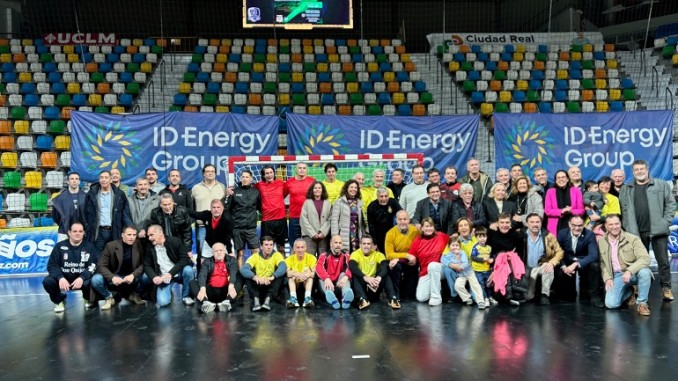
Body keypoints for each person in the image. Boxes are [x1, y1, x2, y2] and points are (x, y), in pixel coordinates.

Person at [619, 159, 675, 301]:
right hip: (636, 232)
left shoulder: (660, 184)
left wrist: (665, 223)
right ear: (633, 172)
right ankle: (637, 287)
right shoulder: (627, 188)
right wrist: (628, 226)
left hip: (658, 230)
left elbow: (670, 204)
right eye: (636, 169)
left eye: (642, 169)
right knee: (637, 261)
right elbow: (624, 209)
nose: (639, 172)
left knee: (663, 261)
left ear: (647, 169)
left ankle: (666, 288)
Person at [598, 214, 652, 316]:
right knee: (611, 304)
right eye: (611, 224)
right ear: (606, 226)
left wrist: (629, 271)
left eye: (616, 223)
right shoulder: (601, 242)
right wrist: (607, 278)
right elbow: (603, 263)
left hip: (634, 273)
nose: (614, 227)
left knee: (645, 272)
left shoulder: (632, 239)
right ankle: (630, 292)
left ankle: (642, 303)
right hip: (617, 275)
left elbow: (645, 258)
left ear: (620, 224)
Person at [43, 222, 97, 312]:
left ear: (84, 233)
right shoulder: (59, 246)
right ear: (69, 232)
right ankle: (59, 300)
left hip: (81, 279)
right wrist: (60, 278)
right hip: (64, 279)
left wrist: (82, 278)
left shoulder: (89, 246)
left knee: (93, 280)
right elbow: (52, 265)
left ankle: (87, 298)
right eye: (75, 231)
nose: (77, 233)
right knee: (48, 281)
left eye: (80, 231)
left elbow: (92, 266)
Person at [91, 225, 148, 310]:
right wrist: (112, 277)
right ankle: (109, 297)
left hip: (131, 277)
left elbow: (143, 265)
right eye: (129, 234)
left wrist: (133, 275)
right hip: (115, 276)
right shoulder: (111, 246)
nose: (132, 237)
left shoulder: (139, 245)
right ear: (122, 235)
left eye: (134, 235)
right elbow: (101, 265)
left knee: (147, 277)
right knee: (96, 279)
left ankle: (134, 295)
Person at [556, 215, 604, 307]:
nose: (577, 228)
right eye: (574, 225)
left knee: (595, 265)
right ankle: (564, 293)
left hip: (583, 261)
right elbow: (558, 252)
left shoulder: (590, 234)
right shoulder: (562, 233)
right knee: (557, 267)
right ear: (569, 224)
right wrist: (563, 266)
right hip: (567, 260)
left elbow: (593, 255)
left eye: (580, 225)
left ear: (583, 225)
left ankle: (594, 296)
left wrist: (576, 264)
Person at [143, 225, 195, 307]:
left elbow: (184, 259)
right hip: (163, 277)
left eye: (151, 235)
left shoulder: (175, 241)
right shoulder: (149, 246)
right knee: (162, 302)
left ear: (160, 233)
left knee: (188, 270)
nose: (149, 238)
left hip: (178, 273)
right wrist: (154, 277)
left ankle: (186, 296)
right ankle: (168, 292)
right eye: (148, 236)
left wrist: (170, 273)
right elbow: (147, 265)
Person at [84, 170, 133, 254]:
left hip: (114, 231)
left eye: (106, 178)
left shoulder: (120, 194)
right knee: (97, 258)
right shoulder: (91, 194)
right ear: (99, 180)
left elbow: (125, 214)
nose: (104, 180)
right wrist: (87, 228)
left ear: (110, 180)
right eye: (101, 178)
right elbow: (85, 213)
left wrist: (128, 228)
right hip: (98, 232)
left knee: (114, 258)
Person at [522, 213, 564, 305]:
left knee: (548, 268)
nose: (535, 224)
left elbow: (559, 252)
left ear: (541, 223)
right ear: (527, 224)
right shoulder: (521, 235)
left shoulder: (548, 236)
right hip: (526, 269)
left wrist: (552, 263)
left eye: (537, 222)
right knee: (528, 297)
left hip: (541, 266)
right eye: (532, 222)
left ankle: (544, 295)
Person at [349, 235, 400, 309]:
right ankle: (362, 299)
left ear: (372, 245)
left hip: (374, 285)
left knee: (385, 272)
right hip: (362, 286)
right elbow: (352, 266)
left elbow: (385, 265)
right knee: (355, 274)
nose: (366, 246)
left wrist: (379, 277)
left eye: (368, 244)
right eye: (364, 243)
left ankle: (392, 298)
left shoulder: (378, 254)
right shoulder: (355, 254)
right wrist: (365, 277)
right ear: (360, 245)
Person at [240, 236, 287, 312]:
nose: (269, 247)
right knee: (248, 274)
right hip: (258, 286)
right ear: (261, 246)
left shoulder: (277, 255)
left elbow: (283, 266)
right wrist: (255, 277)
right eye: (266, 245)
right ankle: (256, 300)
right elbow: (243, 269)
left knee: (280, 274)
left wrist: (272, 277)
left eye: (271, 245)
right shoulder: (255, 256)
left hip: (271, 286)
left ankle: (267, 300)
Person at [408, 217, 448, 306]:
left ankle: (436, 297)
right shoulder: (418, 241)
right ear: (422, 228)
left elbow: (453, 242)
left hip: (441, 269)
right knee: (421, 298)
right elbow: (411, 256)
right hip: (425, 271)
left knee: (432, 265)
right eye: (426, 226)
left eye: (431, 226)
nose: (429, 228)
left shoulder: (441, 236)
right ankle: (437, 288)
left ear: (433, 227)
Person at [189, 242, 238, 313]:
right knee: (192, 282)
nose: (219, 252)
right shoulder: (207, 261)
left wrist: (231, 286)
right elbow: (202, 275)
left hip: (226, 291)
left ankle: (227, 302)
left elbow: (233, 273)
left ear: (225, 251)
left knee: (240, 278)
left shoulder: (232, 260)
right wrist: (203, 289)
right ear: (213, 253)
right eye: (216, 251)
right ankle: (206, 303)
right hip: (210, 292)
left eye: (221, 250)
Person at [191, 164, 228, 256]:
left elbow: (225, 206)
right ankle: (202, 270)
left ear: (215, 173)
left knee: (219, 253)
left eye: (212, 171)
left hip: (219, 226)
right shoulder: (196, 188)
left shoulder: (222, 187)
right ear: (203, 173)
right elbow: (192, 207)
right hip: (202, 227)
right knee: (201, 254)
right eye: (207, 171)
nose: (210, 173)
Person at [227, 170, 260, 268]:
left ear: (251, 179)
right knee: (240, 253)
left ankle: (254, 274)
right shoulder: (234, 192)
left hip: (251, 228)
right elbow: (228, 209)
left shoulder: (256, 192)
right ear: (240, 178)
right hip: (237, 228)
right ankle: (241, 277)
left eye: (247, 177)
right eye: (243, 177)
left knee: (255, 252)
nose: (244, 179)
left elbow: (259, 207)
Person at [442, 235, 485, 309]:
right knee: (457, 286)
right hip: (461, 275)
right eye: (453, 245)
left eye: (457, 245)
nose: (455, 247)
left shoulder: (462, 253)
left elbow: (465, 263)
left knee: (475, 285)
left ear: (460, 246)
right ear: (449, 247)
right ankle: (467, 298)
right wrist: (453, 265)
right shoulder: (448, 255)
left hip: (469, 272)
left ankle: (480, 301)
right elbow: (442, 259)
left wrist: (459, 266)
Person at [384, 210, 419, 301]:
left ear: (409, 220)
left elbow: (419, 247)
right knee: (395, 265)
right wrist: (404, 256)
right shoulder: (390, 233)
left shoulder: (415, 231)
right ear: (396, 220)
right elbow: (389, 254)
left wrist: (414, 257)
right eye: (400, 219)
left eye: (405, 219)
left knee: (410, 295)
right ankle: (396, 294)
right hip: (398, 261)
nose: (403, 222)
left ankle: (409, 292)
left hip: (412, 260)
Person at [148, 193, 193, 261]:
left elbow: (187, 233)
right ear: (160, 205)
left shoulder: (182, 211)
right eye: (165, 205)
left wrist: (187, 249)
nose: (167, 207)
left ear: (173, 203)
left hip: (178, 244)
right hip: (162, 244)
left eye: (169, 204)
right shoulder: (155, 213)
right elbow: (153, 232)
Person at [254, 165, 288, 253]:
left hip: (281, 220)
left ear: (274, 173)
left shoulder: (281, 184)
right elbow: (251, 194)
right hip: (267, 221)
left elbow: (283, 195)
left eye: (271, 173)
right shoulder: (259, 185)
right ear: (263, 175)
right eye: (267, 173)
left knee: (281, 247)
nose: (269, 175)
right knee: (267, 249)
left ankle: (282, 266)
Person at [316, 235, 354, 309]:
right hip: (328, 285)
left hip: (340, 285)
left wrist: (346, 277)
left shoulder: (346, 256)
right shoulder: (324, 255)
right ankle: (333, 300)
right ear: (331, 244)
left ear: (342, 245)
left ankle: (345, 298)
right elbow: (318, 267)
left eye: (340, 243)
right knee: (321, 279)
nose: (338, 245)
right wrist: (326, 278)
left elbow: (351, 267)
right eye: (336, 242)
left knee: (344, 275)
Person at [544, 170, 584, 235]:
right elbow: (547, 211)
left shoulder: (576, 191)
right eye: (558, 178)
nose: (561, 179)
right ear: (556, 180)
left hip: (573, 224)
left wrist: (571, 211)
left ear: (567, 179)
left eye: (563, 177)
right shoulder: (550, 192)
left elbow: (581, 210)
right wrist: (561, 211)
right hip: (556, 226)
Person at [286, 162, 316, 248]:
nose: (302, 170)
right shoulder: (289, 182)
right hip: (294, 217)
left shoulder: (312, 181)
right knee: (294, 244)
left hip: (309, 217)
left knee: (309, 244)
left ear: (307, 170)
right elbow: (281, 196)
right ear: (296, 169)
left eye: (304, 168)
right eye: (300, 168)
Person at [52, 172, 86, 242]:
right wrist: (65, 223)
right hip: (63, 232)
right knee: (62, 252)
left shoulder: (86, 197)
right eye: (72, 179)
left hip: (81, 232)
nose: (74, 181)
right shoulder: (59, 198)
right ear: (68, 181)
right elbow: (56, 217)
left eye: (76, 179)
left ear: (79, 182)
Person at [331, 179, 364, 251]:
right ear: (347, 188)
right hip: (344, 235)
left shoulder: (359, 203)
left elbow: (361, 222)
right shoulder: (339, 202)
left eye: (355, 188)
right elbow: (334, 220)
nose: (353, 189)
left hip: (356, 234)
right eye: (351, 187)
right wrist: (335, 236)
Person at [300, 181, 332, 256]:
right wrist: (313, 233)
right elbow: (303, 220)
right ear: (312, 190)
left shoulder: (328, 203)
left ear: (322, 190)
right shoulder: (307, 202)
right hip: (309, 236)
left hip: (323, 236)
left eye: (319, 188)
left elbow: (330, 219)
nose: (317, 190)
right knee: (310, 257)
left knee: (323, 257)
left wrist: (323, 232)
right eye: (315, 188)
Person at [367, 187, 402, 252]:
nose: (384, 199)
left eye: (386, 196)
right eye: (381, 196)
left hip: (392, 234)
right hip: (378, 236)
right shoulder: (372, 206)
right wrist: (374, 242)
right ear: (377, 197)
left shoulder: (393, 202)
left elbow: (401, 213)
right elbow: (371, 226)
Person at [284, 239, 317, 308]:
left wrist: (308, 274)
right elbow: (286, 273)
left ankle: (307, 298)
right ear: (294, 248)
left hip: (307, 284)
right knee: (291, 276)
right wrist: (296, 274)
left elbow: (314, 273)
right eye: (298, 247)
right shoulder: (289, 259)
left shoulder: (311, 258)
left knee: (310, 277)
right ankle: (293, 298)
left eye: (302, 247)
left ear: (306, 248)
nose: (300, 250)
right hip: (296, 285)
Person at [470, 226, 494, 306]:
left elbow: (491, 256)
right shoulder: (476, 247)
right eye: (480, 237)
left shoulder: (489, 247)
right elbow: (473, 257)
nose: (482, 238)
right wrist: (483, 259)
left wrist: (492, 259)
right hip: (478, 271)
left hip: (487, 270)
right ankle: (485, 298)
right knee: (481, 285)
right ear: (476, 237)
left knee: (488, 284)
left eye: (484, 236)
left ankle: (490, 296)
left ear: (487, 237)